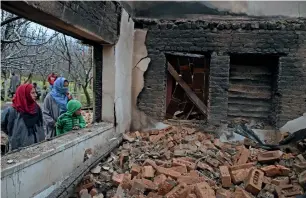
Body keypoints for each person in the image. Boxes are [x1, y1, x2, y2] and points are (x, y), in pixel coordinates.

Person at [1, 84, 45, 151]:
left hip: (37, 147)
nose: (36, 95)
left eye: (35, 92)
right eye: (32, 93)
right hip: (18, 149)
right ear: (24, 94)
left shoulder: (36, 108)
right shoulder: (12, 111)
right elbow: (3, 127)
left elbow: (41, 127)